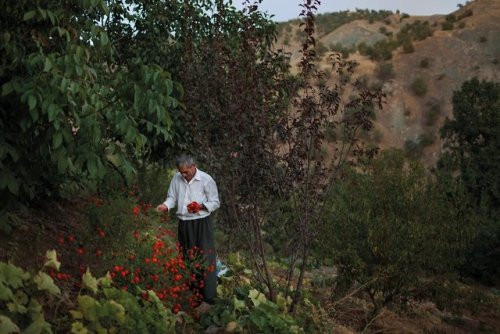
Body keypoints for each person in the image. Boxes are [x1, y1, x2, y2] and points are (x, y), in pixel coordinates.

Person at [156, 154, 220, 310]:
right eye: (181, 172)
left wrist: (201, 206)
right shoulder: (176, 179)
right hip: (184, 224)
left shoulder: (206, 179)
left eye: (186, 172)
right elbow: (171, 197)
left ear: (193, 166)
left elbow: (215, 202)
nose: (183, 175)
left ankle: (208, 299)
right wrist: (165, 205)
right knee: (187, 259)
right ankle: (194, 295)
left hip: (201, 223)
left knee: (206, 258)